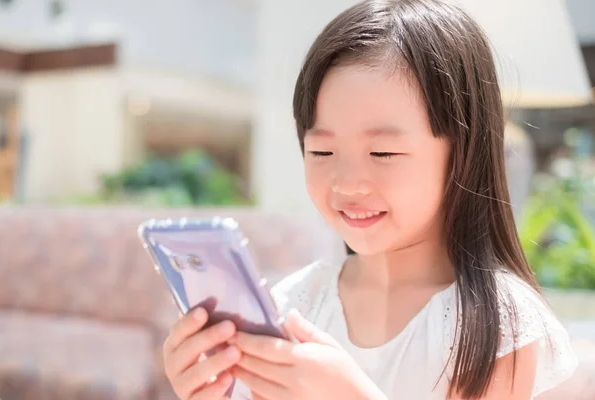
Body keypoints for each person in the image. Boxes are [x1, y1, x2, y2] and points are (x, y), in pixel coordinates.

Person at [160, 0, 577, 398]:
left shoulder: (495, 321)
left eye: (383, 153)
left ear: (463, 152)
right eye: (321, 152)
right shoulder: (298, 302)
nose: (347, 184)